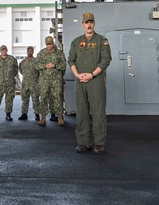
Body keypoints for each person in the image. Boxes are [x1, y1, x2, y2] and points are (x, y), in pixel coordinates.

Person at [68, 12, 111, 153]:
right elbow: (71, 60)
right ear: (82, 24)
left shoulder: (101, 40)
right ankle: (83, 142)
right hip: (80, 81)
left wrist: (92, 74)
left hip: (95, 81)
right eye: (86, 22)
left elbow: (106, 60)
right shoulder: (76, 42)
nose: (89, 25)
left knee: (98, 111)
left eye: (91, 22)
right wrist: (77, 75)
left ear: (94, 23)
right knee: (82, 112)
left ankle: (99, 143)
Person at [35, 36, 66, 126]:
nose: (49, 46)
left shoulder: (59, 53)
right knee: (44, 97)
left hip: (56, 80)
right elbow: (36, 65)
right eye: (47, 44)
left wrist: (55, 66)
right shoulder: (41, 53)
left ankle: (60, 118)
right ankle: (43, 118)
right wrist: (45, 66)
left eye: (50, 44)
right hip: (44, 81)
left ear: (53, 43)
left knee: (58, 98)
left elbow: (64, 65)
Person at [0, 45, 18, 121]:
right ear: (0, 51)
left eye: (5, 50)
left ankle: (8, 115)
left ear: (7, 50)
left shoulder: (12, 59)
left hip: (10, 83)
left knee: (9, 99)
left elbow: (16, 69)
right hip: (0, 83)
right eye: (2, 50)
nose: (4, 51)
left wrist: (10, 76)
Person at [17, 46, 40, 120]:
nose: (29, 52)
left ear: (33, 52)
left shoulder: (37, 62)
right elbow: (21, 71)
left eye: (31, 51)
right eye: (28, 51)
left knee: (35, 100)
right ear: (26, 52)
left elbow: (39, 72)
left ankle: (37, 115)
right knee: (24, 100)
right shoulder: (23, 62)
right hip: (25, 84)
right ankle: (24, 114)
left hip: (34, 84)